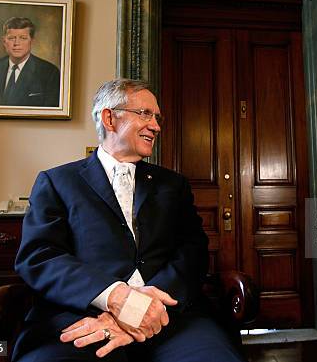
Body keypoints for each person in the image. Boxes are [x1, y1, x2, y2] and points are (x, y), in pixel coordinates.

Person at [13, 79, 245, 362]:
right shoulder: (57, 182)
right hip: (82, 316)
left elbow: (192, 252)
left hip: (171, 316)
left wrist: (142, 309)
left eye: (157, 117)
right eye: (145, 114)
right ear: (109, 118)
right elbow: (40, 257)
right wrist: (115, 298)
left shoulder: (174, 185)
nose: (156, 126)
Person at [0, 17, 60, 107]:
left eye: (23, 38)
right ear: (4, 41)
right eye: (11, 38)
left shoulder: (49, 72)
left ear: (32, 41)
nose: (16, 43)